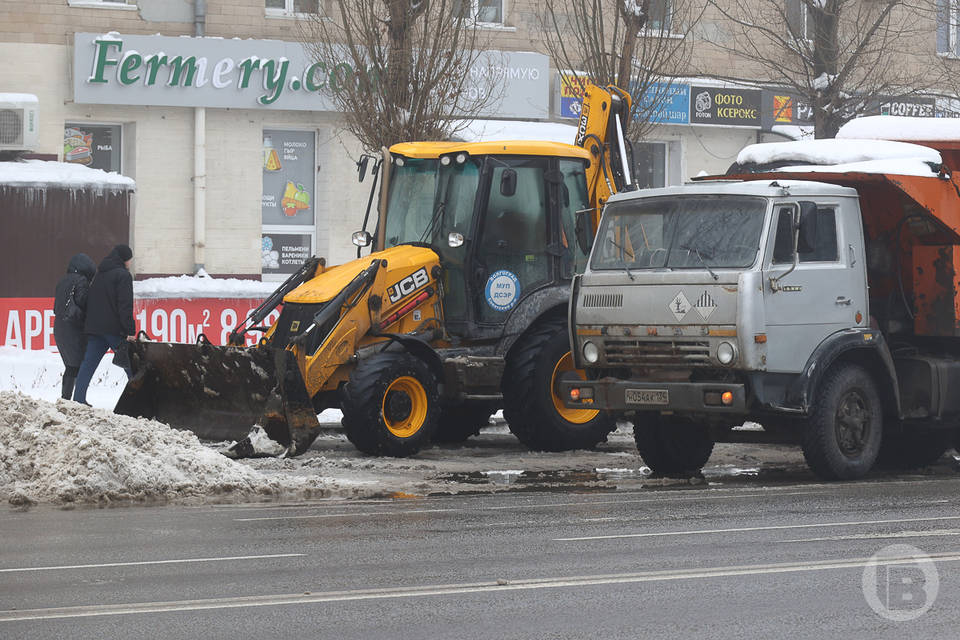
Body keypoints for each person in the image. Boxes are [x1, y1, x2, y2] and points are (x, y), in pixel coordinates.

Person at [72, 244, 136, 405]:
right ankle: (139, 400)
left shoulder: (100, 274)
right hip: (114, 329)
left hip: (95, 328)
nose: (130, 263)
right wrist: (129, 330)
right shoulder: (123, 276)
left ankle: (78, 400)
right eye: (129, 259)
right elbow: (124, 305)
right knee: (131, 366)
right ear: (124, 259)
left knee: (88, 365)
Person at [53, 253, 96, 400]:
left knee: (71, 366)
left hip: (60, 328)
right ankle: (71, 400)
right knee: (76, 367)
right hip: (74, 329)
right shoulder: (81, 281)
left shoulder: (63, 281)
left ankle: (68, 399)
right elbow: (83, 302)